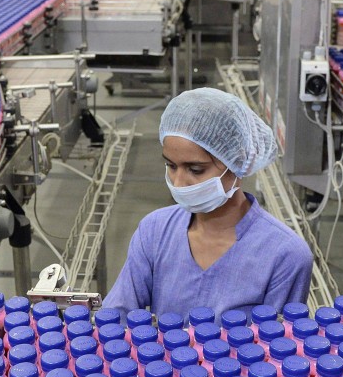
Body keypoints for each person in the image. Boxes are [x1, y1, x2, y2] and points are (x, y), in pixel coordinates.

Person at [103, 88, 314, 320]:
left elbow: (277, 338)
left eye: (195, 169)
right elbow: (115, 317)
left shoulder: (284, 255)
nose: (178, 182)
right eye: (171, 166)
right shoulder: (155, 231)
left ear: (238, 162)